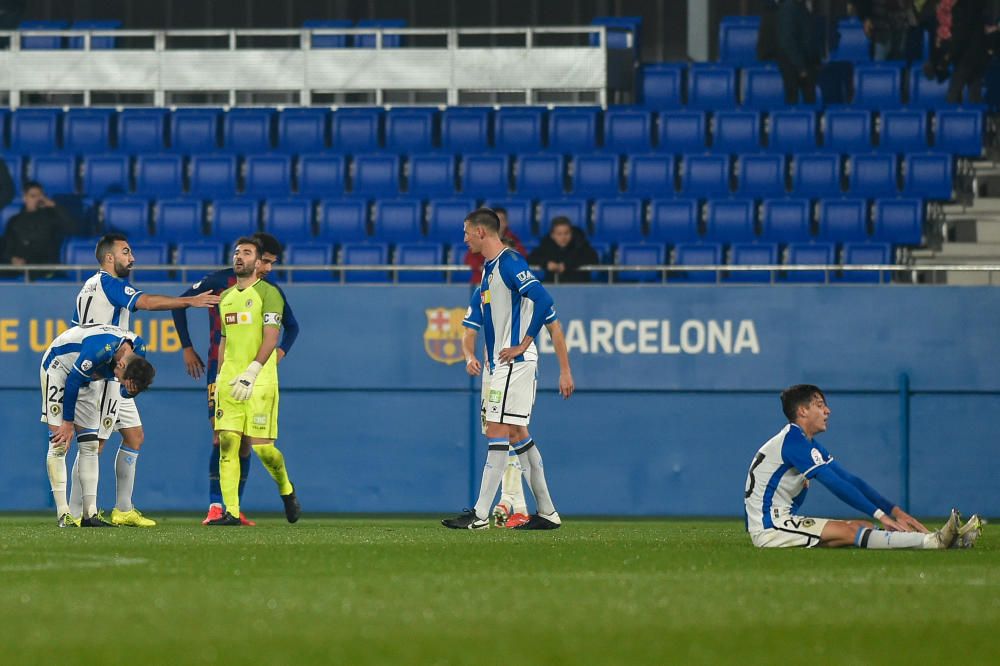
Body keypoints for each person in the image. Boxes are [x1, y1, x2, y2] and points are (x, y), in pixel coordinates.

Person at [62, 233, 220, 527]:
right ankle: (74, 513)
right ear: (109, 258)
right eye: (126, 252)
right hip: (107, 374)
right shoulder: (109, 284)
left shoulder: (89, 288)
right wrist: (189, 301)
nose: (131, 258)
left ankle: (122, 508)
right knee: (94, 445)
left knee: (134, 435)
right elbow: (145, 302)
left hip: (114, 370)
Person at [443, 208, 574, 531]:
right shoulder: (488, 273)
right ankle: (547, 512)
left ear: (482, 232)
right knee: (516, 434)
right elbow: (472, 328)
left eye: (466, 232)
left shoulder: (510, 262)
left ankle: (480, 514)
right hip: (504, 364)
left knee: (497, 431)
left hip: (514, 362)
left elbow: (544, 300)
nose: (464, 238)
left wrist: (523, 342)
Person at [744, 384, 985, 549]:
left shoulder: (804, 443)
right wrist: (881, 514)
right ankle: (935, 542)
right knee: (851, 532)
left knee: (863, 527)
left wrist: (894, 511)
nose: (827, 410)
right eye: (819, 404)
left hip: (777, 522)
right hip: (771, 526)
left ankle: (935, 539)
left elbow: (849, 480)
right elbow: (834, 483)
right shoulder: (794, 442)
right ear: (803, 410)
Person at [171, 232, 300, 526]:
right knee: (222, 437)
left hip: (256, 375)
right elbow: (181, 304)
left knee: (249, 445)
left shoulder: (270, 291)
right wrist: (187, 347)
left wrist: (279, 352)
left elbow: (292, 327)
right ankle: (218, 506)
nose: (268, 268)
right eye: (265, 261)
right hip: (223, 372)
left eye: (270, 263)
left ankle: (236, 506)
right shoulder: (220, 284)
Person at [461, 285, 559, 528]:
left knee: (506, 430)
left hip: (516, 367)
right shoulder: (484, 290)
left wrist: (565, 370)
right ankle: (534, 508)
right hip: (492, 371)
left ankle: (493, 509)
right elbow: (469, 330)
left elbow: (554, 326)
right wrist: (469, 356)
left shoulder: (525, 293)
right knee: (510, 433)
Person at [41, 324, 155, 527]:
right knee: (59, 443)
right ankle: (63, 514)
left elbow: (125, 391)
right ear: (120, 366)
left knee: (90, 445)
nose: (119, 383)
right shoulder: (99, 349)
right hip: (59, 367)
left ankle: (90, 514)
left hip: (87, 377)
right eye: (121, 380)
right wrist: (67, 423)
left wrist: (129, 389)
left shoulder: (138, 351)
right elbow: (73, 381)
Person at [0, 181, 76, 278]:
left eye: (40, 196)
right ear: (25, 198)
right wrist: (12, 259)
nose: (37, 199)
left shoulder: (50, 218)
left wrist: (53, 205)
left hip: (42, 266)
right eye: (33, 196)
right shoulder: (14, 221)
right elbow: (8, 246)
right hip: (18, 266)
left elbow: (73, 227)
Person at [527, 216, 599, 284]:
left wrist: (567, 265)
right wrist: (546, 264)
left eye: (566, 233)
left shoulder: (581, 244)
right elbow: (530, 258)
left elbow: (593, 258)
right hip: (553, 289)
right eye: (559, 234)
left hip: (578, 287)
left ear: (572, 233)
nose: (563, 237)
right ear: (552, 235)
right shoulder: (546, 245)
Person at [464, 207, 526, 284]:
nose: (499, 224)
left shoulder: (514, 240)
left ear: (507, 223)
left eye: (502, 221)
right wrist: (479, 267)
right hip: (482, 282)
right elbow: (469, 258)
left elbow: (521, 257)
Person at [776, 0, 822, 104]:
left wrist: (815, 61)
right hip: (793, 65)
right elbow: (788, 41)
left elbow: (810, 37)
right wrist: (801, 66)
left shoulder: (803, 7)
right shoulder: (788, 8)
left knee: (810, 100)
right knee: (793, 100)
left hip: (806, 62)